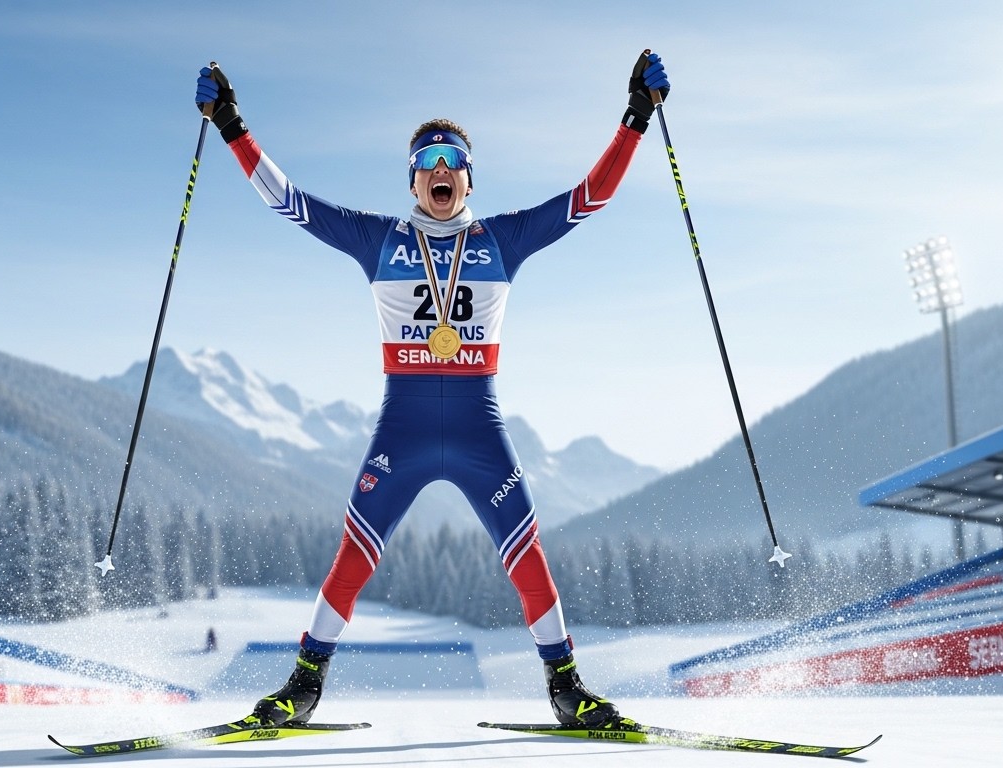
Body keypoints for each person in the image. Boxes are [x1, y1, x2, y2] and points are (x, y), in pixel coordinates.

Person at [194, 51, 670, 728]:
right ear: (412, 180)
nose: (440, 172)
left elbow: (589, 197)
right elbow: (287, 200)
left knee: (527, 551)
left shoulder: (502, 239)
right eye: (427, 162)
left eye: (451, 161)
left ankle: (566, 686)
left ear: (469, 178)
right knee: (354, 553)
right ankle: (304, 683)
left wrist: (636, 118)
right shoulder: (377, 238)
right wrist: (232, 126)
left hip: (480, 429)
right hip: (404, 430)